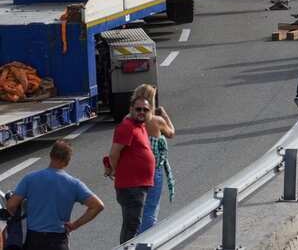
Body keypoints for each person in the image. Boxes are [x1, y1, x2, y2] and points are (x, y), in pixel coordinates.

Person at [5, 141, 104, 250]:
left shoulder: (30, 179)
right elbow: (97, 206)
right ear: (68, 161)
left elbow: (11, 205)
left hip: (33, 239)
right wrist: (75, 225)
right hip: (58, 240)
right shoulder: (74, 184)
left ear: (51, 155)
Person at [107, 92, 156, 244]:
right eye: (138, 109)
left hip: (138, 185)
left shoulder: (139, 126)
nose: (142, 112)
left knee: (133, 224)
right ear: (131, 109)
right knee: (132, 226)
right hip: (131, 187)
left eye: (145, 110)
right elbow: (114, 153)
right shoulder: (127, 127)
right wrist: (115, 170)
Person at [135, 85, 176, 234]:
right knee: (150, 209)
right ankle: (145, 242)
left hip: (135, 169)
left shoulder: (130, 120)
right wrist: (164, 115)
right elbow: (171, 133)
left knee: (136, 211)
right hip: (153, 170)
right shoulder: (156, 121)